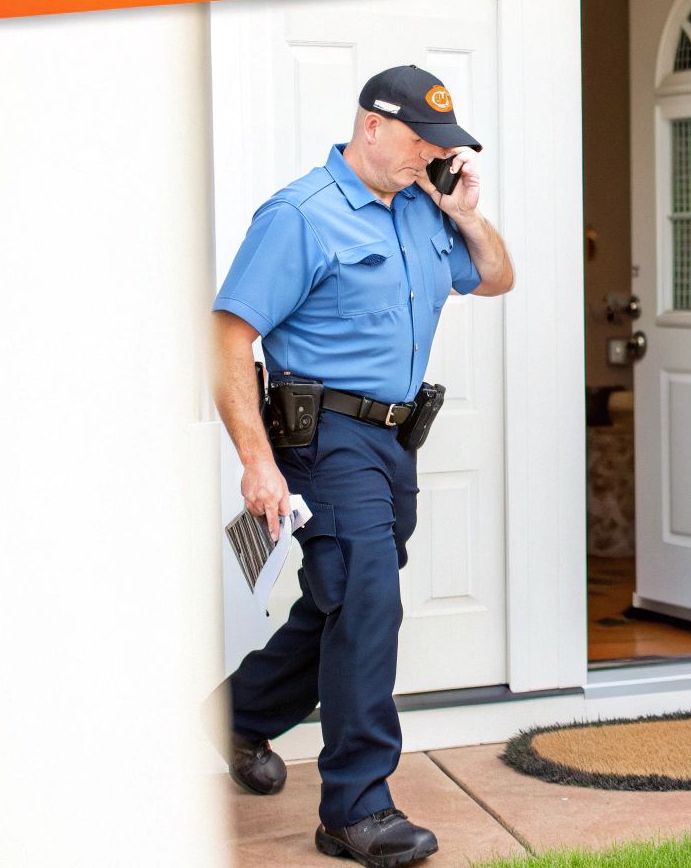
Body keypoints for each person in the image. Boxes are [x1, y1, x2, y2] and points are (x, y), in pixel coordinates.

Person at [207, 65, 513, 868]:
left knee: (343, 600)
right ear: (371, 126)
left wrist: (467, 215)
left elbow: (496, 277)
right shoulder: (300, 217)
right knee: (369, 599)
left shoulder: (422, 211)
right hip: (324, 438)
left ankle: (235, 716)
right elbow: (229, 338)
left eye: (441, 147)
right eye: (420, 142)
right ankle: (355, 808)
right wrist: (257, 464)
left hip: (393, 442)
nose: (429, 158)